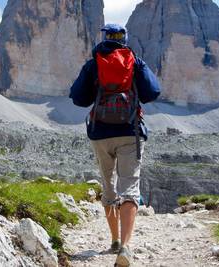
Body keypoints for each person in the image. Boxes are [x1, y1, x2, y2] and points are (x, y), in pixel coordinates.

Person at [69, 24, 161, 266]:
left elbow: (78, 98)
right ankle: (127, 246)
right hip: (130, 132)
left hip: (100, 133)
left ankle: (114, 240)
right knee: (129, 186)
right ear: (124, 39)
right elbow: (153, 92)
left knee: (108, 186)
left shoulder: (93, 63)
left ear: (104, 38)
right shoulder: (134, 60)